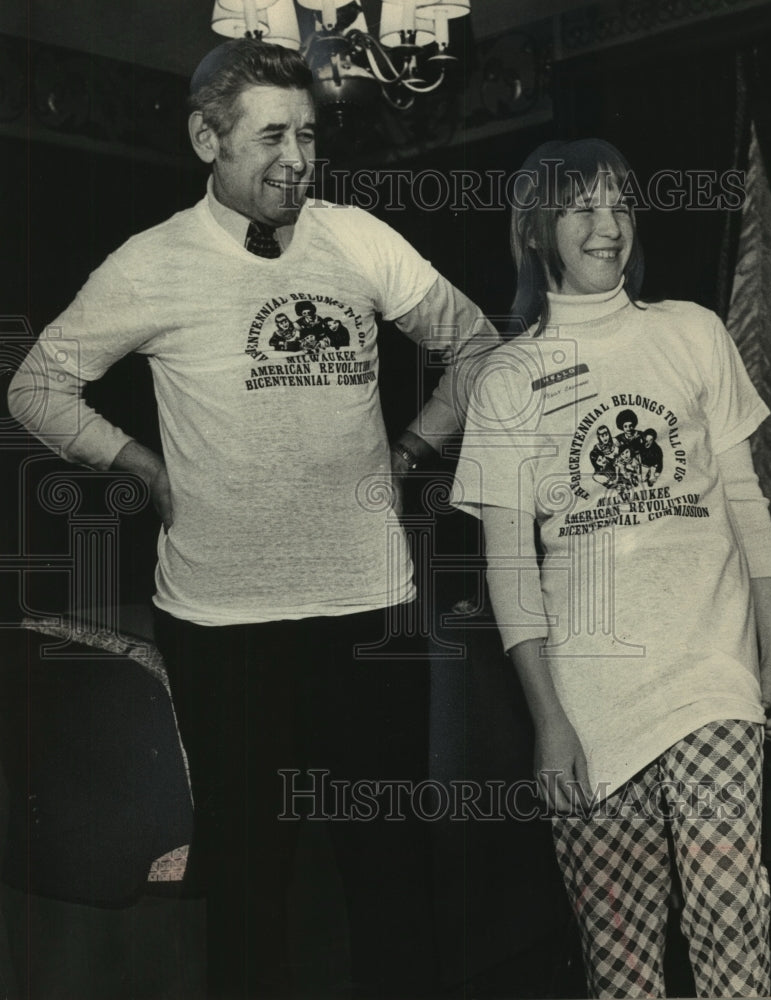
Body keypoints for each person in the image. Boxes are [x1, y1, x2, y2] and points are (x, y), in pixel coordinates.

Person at [8, 38, 498, 999]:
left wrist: (412, 449)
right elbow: (38, 384)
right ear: (206, 139)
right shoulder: (150, 264)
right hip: (225, 628)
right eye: (271, 134)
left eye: (308, 135)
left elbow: (476, 346)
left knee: (393, 880)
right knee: (250, 895)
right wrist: (136, 460)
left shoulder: (358, 240)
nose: (297, 159)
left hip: (369, 612)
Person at [451, 138, 771, 998]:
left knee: (730, 907)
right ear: (537, 230)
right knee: (619, 951)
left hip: (711, 672)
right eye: (583, 207)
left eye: (620, 205)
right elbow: (509, 571)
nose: (608, 226)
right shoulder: (508, 378)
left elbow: (745, 503)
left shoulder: (690, 331)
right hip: (591, 697)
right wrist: (549, 723)